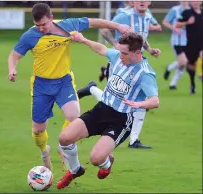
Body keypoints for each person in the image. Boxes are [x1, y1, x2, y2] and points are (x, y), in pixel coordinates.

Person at [7, 3, 131, 171]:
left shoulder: (68, 25)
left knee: (74, 116)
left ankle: (62, 146)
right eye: (38, 25)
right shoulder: (30, 36)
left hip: (64, 81)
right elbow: (14, 55)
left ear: (51, 18)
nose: (41, 28)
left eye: (44, 24)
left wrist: (118, 26)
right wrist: (12, 69)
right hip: (41, 86)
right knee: (38, 130)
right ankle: (45, 151)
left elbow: (94, 22)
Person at [56, 32, 159, 189]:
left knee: (95, 159)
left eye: (125, 53)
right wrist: (83, 39)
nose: (120, 56)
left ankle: (106, 163)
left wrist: (139, 105)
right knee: (64, 138)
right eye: (120, 51)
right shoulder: (118, 56)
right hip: (101, 110)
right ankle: (75, 169)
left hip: (121, 120)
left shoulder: (145, 74)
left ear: (137, 52)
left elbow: (155, 100)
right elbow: (102, 49)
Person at [78, 1, 161, 149]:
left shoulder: (147, 16)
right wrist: (116, 46)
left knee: (136, 100)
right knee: (117, 98)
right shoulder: (124, 16)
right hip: (121, 62)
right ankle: (92, 89)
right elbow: (104, 30)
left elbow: (140, 38)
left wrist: (149, 49)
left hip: (137, 64)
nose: (142, 2)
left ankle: (134, 139)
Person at [176, 1, 203, 94]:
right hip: (191, 44)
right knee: (192, 66)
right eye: (193, 0)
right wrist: (187, 22)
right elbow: (177, 24)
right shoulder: (186, 13)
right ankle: (192, 84)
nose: (195, 2)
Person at [162, 1, 190, 90]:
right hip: (177, 41)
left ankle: (172, 82)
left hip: (189, 41)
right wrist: (174, 28)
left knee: (184, 63)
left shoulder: (191, 10)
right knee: (183, 61)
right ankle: (170, 72)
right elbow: (165, 22)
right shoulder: (175, 10)